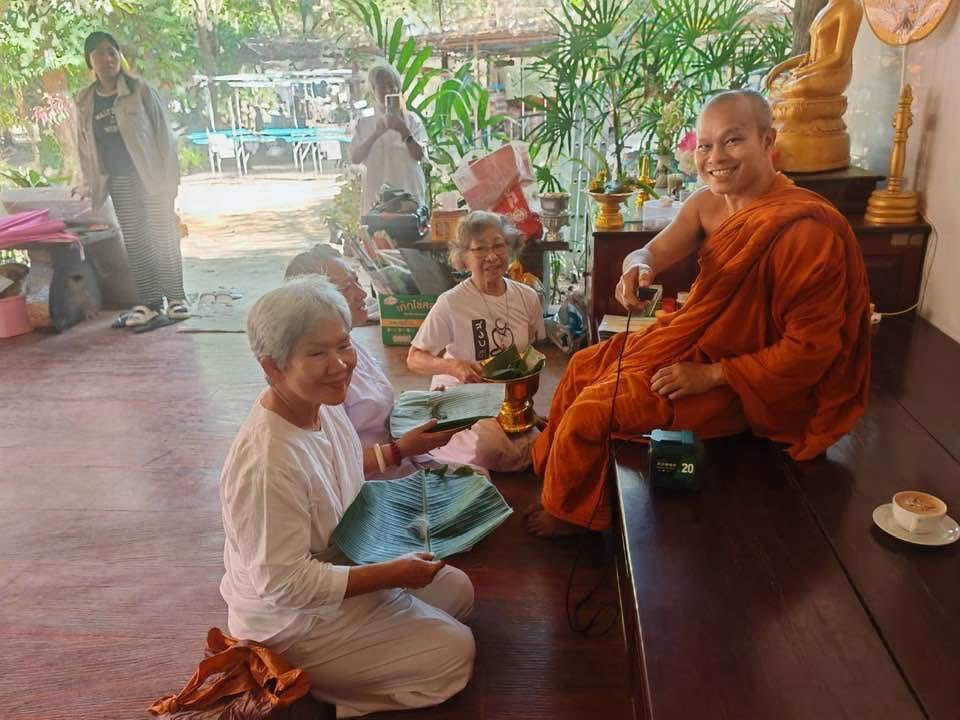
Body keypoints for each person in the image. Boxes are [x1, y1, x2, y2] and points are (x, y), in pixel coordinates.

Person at [525, 90, 871, 537]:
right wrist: (637, 268)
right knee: (583, 366)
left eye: (733, 140)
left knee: (593, 410)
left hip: (750, 384)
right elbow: (649, 251)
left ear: (768, 141)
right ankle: (557, 476)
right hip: (697, 347)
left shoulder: (805, 230)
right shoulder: (706, 205)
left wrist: (710, 376)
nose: (715, 158)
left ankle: (573, 516)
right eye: (705, 145)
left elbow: (810, 353)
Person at [219, 277, 475, 717]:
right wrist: (390, 574)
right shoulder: (265, 463)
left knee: (459, 591)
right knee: (455, 654)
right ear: (273, 367)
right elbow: (284, 585)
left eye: (344, 345)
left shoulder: (322, 406)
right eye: (317, 353)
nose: (340, 364)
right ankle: (307, 689)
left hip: (343, 567)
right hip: (293, 621)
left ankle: (378, 641)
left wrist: (402, 453)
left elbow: (339, 467)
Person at [284, 244, 462, 479]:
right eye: (347, 288)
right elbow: (330, 468)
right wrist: (399, 450)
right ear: (315, 303)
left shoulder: (352, 346)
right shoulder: (318, 378)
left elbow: (378, 411)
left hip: (402, 463)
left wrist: (419, 406)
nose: (362, 294)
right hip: (374, 484)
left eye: (357, 281)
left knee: (480, 478)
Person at [407, 211, 547, 472]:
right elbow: (414, 358)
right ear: (463, 257)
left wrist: (525, 404)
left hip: (507, 400)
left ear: (510, 248)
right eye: (480, 249)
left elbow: (529, 355)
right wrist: (453, 366)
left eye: (498, 245)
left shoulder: (527, 297)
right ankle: (441, 440)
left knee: (544, 443)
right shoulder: (451, 303)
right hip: (463, 393)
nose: (491, 256)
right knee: (491, 448)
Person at [75, 31, 188, 329]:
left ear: (119, 56)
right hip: (118, 181)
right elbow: (85, 146)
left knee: (162, 237)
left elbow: (164, 137)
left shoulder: (140, 90)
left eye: (112, 52)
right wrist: (88, 181)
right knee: (137, 242)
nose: (108, 59)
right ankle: (150, 303)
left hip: (151, 178)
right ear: (89, 61)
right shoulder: (86, 100)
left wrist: (171, 181)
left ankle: (177, 299)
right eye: (99, 53)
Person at [350, 64, 428, 212]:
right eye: (382, 86)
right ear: (373, 91)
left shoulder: (412, 120)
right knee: (378, 226)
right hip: (376, 198)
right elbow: (355, 158)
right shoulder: (364, 122)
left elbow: (420, 156)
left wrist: (404, 132)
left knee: (411, 225)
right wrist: (376, 134)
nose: (387, 90)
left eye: (392, 85)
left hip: (410, 195)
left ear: (398, 88)